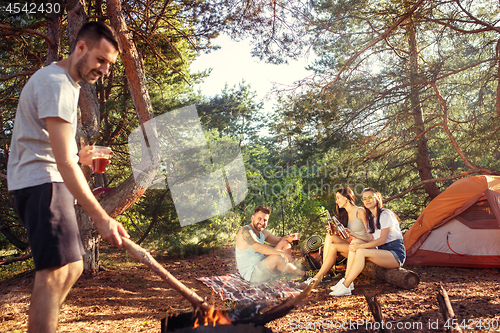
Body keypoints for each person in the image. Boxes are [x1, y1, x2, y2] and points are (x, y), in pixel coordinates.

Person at [7, 22, 130, 333]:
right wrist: (102, 218)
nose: (104, 69)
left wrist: (80, 158)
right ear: (81, 48)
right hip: (41, 183)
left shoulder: (63, 83)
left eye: (109, 64)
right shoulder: (58, 84)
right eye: (100, 59)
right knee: (56, 271)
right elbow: (62, 162)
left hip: (42, 181)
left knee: (71, 267)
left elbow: (59, 152)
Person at [329, 187, 406, 296]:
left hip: (395, 254)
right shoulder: (372, 218)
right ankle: (347, 281)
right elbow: (370, 238)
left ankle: (346, 285)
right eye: (364, 199)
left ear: (377, 198)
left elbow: (382, 240)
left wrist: (360, 248)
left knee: (360, 250)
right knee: (355, 244)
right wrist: (352, 234)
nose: (367, 200)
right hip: (382, 252)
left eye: (370, 197)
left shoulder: (385, 214)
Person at [304, 187, 372, 285]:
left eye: (338, 198)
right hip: (351, 248)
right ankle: (322, 275)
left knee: (333, 243)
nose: (337, 201)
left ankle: (321, 276)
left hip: (362, 248)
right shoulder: (345, 214)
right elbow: (346, 237)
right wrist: (335, 232)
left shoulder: (360, 211)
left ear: (347, 197)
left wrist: (353, 235)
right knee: (330, 236)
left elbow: (370, 236)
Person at [235, 205, 306, 284]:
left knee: (284, 243)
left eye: (265, 220)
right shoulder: (245, 231)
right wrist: (281, 253)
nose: (262, 222)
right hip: (251, 274)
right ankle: (303, 274)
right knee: (276, 257)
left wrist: (291, 238)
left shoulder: (262, 233)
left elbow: (280, 240)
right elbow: (258, 246)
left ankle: (287, 274)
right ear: (252, 218)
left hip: (262, 266)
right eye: (259, 218)